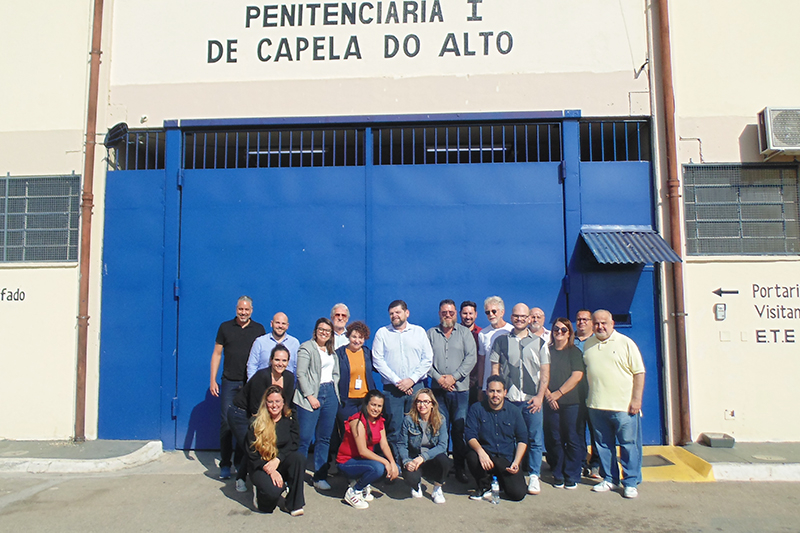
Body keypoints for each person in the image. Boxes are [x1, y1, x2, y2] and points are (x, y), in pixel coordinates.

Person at [583, 309, 645, 499]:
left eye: (604, 323)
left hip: (624, 407)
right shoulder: (588, 344)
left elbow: (639, 373)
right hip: (596, 405)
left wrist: (636, 400)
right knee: (603, 445)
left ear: (612, 324)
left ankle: (631, 482)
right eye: (596, 323)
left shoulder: (626, 343)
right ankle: (609, 479)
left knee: (628, 445)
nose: (600, 327)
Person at [490, 302, 550, 495]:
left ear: (529, 318)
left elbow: (545, 373)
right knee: (506, 439)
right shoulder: (500, 341)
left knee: (534, 438)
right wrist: (496, 395)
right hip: (508, 401)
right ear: (511, 316)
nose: (520, 319)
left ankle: (533, 475)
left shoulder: (540, 343)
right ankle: (505, 473)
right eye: (516, 316)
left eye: (524, 317)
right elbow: (494, 370)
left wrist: (540, 396)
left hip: (532, 400)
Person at [209, 295, 266, 480]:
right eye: (241, 309)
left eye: (247, 309)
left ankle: (240, 462)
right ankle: (225, 464)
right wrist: (213, 380)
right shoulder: (225, 327)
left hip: (249, 384)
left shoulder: (258, 329)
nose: (243, 312)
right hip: (229, 382)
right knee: (226, 423)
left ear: (252, 310)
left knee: (248, 424)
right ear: (236, 309)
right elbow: (217, 354)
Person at [371, 300, 433, 462]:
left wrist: (411, 380)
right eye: (391, 313)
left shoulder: (418, 332)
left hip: (416, 387)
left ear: (407, 313)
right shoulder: (382, 333)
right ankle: (396, 463)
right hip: (392, 390)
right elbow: (378, 360)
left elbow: (427, 359)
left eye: (398, 312)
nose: (394, 316)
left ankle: (415, 462)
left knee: (417, 426)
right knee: (394, 428)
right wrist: (399, 381)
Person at [228, 345, 295, 492]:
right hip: (241, 413)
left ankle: (274, 476)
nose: (280, 363)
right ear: (271, 360)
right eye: (277, 359)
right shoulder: (261, 376)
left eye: (284, 360)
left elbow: (285, 404)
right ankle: (242, 478)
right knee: (252, 446)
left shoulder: (289, 378)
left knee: (271, 443)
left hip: (267, 413)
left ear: (288, 362)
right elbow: (256, 410)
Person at [427, 299, 476, 484]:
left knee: (458, 430)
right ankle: (440, 469)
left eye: (451, 312)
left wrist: (454, 377)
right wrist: (439, 378)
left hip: (461, 390)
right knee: (439, 429)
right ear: (439, 314)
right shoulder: (431, 333)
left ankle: (460, 468)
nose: (448, 315)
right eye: (444, 312)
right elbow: (425, 360)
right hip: (438, 391)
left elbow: (471, 358)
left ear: (456, 314)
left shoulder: (464, 333)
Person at [294, 318, 340, 491]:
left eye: (327, 331)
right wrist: (310, 396)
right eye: (321, 329)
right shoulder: (307, 347)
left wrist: (334, 392)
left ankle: (319, 476)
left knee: (324, 438)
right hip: (312, 395)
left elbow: (335, 372)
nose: (324, 332)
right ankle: (296, 477)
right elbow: (301, 374)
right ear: (315, 331)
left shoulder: (331, 350)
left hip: (330, 394)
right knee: (304, 439)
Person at [465, 375, 528, 502]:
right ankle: (485, 485)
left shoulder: (514, 411)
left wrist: (516, 462)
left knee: (518, 494)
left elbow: (523, 439)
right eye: (492, 391)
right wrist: (481, 453)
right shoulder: (476, 409)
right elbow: (470, 435)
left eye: (499, 391)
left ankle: (500, 481)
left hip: (506, 459)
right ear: (487, 391)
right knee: (472, 455)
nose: (495, 395)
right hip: (486, 457)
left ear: (505, 392)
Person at [246, 385, 305, 516]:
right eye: (270, 401)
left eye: (277, 401)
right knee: (270, 501)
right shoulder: (255, 423)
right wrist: (271, 470)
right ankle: (260, 494)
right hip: (260, 465)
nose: (274, 405)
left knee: (299, 458)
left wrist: (278, 459)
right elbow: (252, 454)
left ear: (283, 402)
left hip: (279, 461)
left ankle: (294, 504)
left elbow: (294, 444)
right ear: (265, 403)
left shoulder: (290, 418)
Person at [336, 390, 400, 509]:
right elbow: (362, 451)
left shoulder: (380, 420)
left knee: (395, 468)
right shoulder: (357, 421)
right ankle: (354, 491)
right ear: (366, 404)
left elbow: (384, 445)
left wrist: (392, 463)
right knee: (378, 468)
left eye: (379, 406)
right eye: (373, 405)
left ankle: (362, 482)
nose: (376, 409)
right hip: (347, 461)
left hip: (362, 461)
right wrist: (385, 462)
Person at [542, 318, 585, 489]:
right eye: (556, 330)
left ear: (569, 333)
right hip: (550, 401)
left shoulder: (574, 352)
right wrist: (548, 395)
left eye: (563, 330)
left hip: (571, 402)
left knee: (572, 438)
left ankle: (572, 474)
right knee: (555, 438)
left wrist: (558, 394)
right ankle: (558, 472)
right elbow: (540, 374)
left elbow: (577, 375)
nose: (559, 333)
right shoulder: (546, 351)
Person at [333, 321, 376, 467]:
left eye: (361, 337)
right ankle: (346, 465)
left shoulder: (367, 353)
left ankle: (365, 464)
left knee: (366, 433)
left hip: (365, 400)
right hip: (347, 401)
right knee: (347, 435)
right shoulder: (340, 353)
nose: (357, 340)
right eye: (354, 337)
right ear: (348, 336)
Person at [397, 388, 452, 504]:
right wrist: (407, 461)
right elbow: (402, 444)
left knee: (445, 461)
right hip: (414, 459)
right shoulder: (408, 420)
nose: (422, 405)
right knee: (411, 478)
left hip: (431, 459)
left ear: (432, 404)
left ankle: (437, 488)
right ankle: (415, 485)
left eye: (426, 402)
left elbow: (442, 445)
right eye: (419, 401)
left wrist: (423, 457)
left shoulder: (440, 420)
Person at [574, 308, 601, 480]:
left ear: (591, 322)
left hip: (595, 391)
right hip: (575, 392)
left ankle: (596, 465)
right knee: (578, 430)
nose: (582, 322)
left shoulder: (597, 340)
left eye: (585, 319)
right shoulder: (571, 340)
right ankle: (582, 463)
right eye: (579, 319)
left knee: (596, 430)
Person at [247, 312, 300, 378]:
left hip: (286, 385)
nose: (280, 326)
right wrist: (253, 384)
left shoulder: (294, 343)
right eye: (277, 323)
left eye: (283, 323)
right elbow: (252, 365)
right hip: (263, 385)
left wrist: (293, 386)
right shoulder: (260, 342)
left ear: (287, 326)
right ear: (271, 324)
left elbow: (297, 368)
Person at [477, 296, 512, 393]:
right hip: (489, 388)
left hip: (509, 388)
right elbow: (482, 362)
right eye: (487, 312)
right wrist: (480, 387)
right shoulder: (483, 334)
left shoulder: (512, 331)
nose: (491, 315)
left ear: (502, 312)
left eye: (494, 311)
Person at [459, 300, 483, 406]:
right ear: (460, 314)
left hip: (476, 384)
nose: (468, 317)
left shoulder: (481, 334)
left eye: (470, 313)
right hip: (457, 383)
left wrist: (475, 381)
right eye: (465, 313)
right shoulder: (453, 333)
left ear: (476, 314)